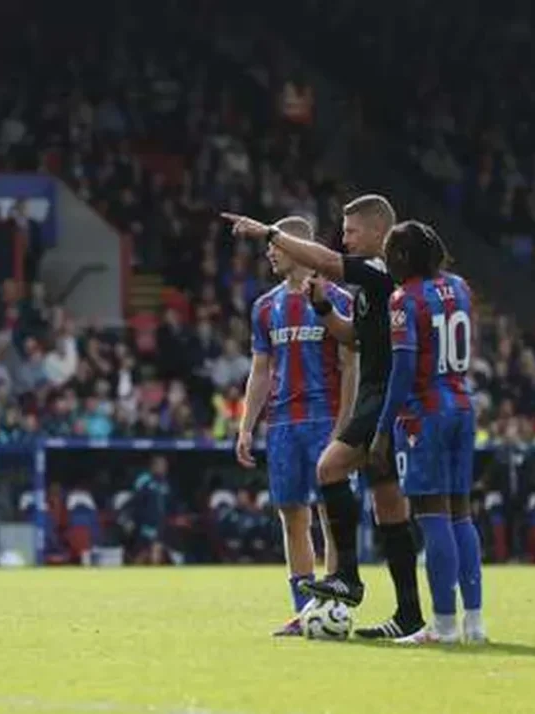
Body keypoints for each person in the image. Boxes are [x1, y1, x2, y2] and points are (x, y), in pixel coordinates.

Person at [223, 195, 425, 639]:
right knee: (372, 509)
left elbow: (349, 351)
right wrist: (246, 424)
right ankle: (395, 612)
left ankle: (347, 586)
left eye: (351, 230)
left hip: (359, 409)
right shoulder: (275, 305)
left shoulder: (368, 275)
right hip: (293, 421)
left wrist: (267, 230)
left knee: (351, 485)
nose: (345, 237)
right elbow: (348, 338)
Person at [236, 216, 357, 636]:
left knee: (330, 514)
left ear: (298, 247)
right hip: (283, 424)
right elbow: (261, 369)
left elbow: (348, 365)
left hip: (326, 419)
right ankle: (305, 610)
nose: (269, 251)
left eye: (276, 245)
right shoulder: (265, 306)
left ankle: (335, 606)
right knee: (292, 516)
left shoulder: (335, 297)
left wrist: (346, 427)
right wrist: (246, 425)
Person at [369, 220, 485, 644]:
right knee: (462, 515)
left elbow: (402, 372)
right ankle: (474, 623)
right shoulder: (460, 288)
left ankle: (442, 625)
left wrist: (382, 432)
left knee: (432, 516)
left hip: (425, 414)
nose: (386, 264)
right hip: (462, 404)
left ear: (402, 256)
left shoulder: (404, 299)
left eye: (388, 256)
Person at [131, 455, 171, 564]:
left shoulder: (164, 483)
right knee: (144, 552)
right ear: (153, 466)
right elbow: (137, 501)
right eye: (161, 466)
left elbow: (167, 502)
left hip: (160, 523)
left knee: (156, 550)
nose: (164, 468)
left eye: (165, 466)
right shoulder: (144, 480)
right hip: (146, 522)